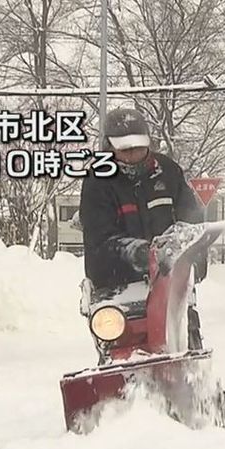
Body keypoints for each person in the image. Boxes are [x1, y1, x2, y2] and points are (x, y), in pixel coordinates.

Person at [79, 107, 209, 349]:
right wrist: (139, 252)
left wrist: (195, 251)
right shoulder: (97, 182)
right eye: (125, 149)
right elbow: (99, 238)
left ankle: (193, 379)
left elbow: (192, 219)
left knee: (185, 344)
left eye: (138, 147)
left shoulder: (168, 172)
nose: (132, 154)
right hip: (118, 289)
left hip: (170, 282)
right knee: (119, 347)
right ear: (109, 147)